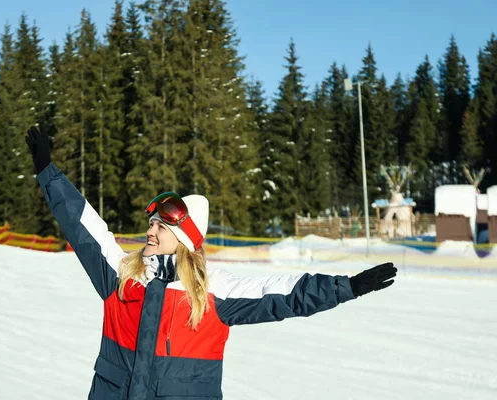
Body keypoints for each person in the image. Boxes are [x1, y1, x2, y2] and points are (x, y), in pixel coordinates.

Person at [25, 126, 397, 400]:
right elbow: (83, 224)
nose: (150, 232)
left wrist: (347, 287)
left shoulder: (213, 292)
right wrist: (48, 172)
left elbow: (284, 293)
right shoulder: (122, 277)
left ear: (185, 238)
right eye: (150, 223)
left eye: (160, 225)